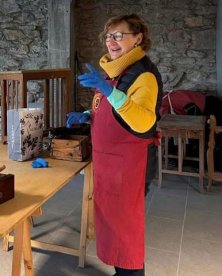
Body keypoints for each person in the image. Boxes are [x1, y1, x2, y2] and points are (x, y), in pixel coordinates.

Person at [67, 14, 163, 275]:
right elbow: (110, 109)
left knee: (126, 230)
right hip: (110, 164)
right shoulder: (115, 70)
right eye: (108, 36)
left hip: (131, 165)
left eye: (119, 35)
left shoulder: (143, 75)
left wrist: (109, 92)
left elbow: (143, 121)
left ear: (138, 38)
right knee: (113, 224)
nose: (111, 41)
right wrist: (87, 116)